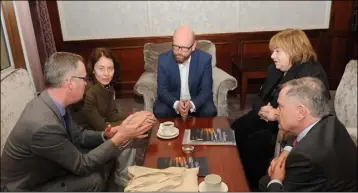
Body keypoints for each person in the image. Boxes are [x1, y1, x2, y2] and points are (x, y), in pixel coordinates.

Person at [0, 52, 152, 191]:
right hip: (27, 187)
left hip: (45, 168)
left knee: (100, 159)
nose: (86, 83)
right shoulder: (45, 126)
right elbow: (82, 166)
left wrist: (107, 135)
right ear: (70, 82)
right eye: (84, 79)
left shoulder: (53, 102)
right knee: (93, 180)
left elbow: (79, 135)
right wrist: (120, 138)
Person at [230, 28, 330, 189]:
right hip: (265, 114)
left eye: (277, 51)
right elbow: (260, 96)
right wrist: (263, 109)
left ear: (293, 50)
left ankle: (252, 184)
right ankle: (238, 171)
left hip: (285, 125)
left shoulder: (311, 76)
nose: (272, 56)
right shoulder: (275, 69)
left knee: (255, 144)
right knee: (235, 128)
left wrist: (275, 114)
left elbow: (310, 115)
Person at [69, 47, 156, 190]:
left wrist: (135, 115)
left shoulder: (107, 87)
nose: (106, 73)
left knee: (142, 122)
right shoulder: (89, 93)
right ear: (92, 69)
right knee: (131, 133)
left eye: (110, 68)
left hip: (102, 126)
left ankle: (130, 170)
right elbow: (101, 127)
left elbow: (112, 115)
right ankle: (123, 178)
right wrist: (132, 123)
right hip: (89, 136)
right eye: (101, 68)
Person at [259, 77, 357, 191]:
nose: (276, 112)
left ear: (301, 112)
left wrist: (276, 180)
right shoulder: (331, 120)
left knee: (265, 182)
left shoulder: (305, 156)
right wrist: (287, 151)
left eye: (281, 106)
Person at [153, 25, 217, 118]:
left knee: (210, 111)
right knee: (160, 111)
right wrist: (176, 104)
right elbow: (162, 90)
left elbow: (206, 90)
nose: (179, 52)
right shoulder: (163, 59)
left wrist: (191, 104)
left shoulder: (204, 59)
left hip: (195, 101)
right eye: (176, 47)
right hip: (173, 101)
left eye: (184, 48)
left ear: (194, 46)